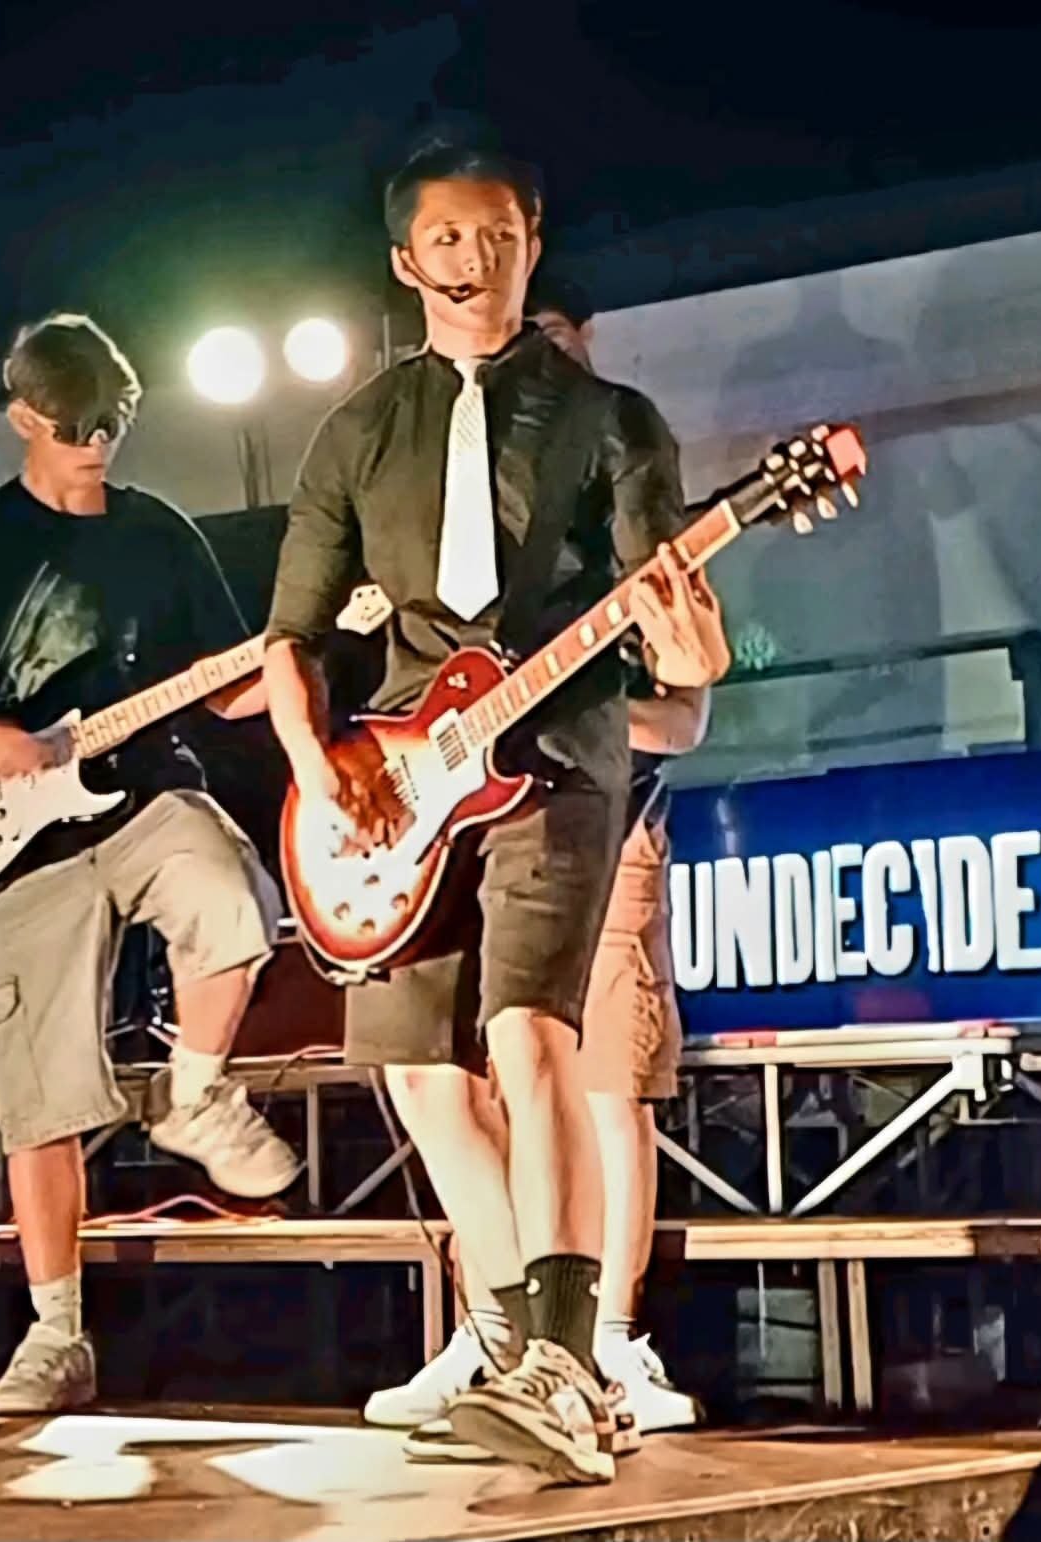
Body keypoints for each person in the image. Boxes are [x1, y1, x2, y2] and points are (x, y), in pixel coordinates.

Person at [263, 137, 708, 1484]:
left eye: (500, 236)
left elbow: (671, 627)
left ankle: (569, 1357)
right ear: (407, 260)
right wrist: (316, 760)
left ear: (532, 245)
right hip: (403, 770)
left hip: (558, 759)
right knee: (418, 1069)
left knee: (528, 1031)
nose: (476, 259)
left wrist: (691, 648)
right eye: (449, 239)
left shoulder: (610, 418)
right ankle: (513, 1336)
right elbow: (291, 637)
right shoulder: (358, 428)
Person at [0, 314, 300, 1415]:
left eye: (113, 423)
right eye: (74, 427)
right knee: (41, 1096)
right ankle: (56, 1335)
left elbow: (223, 687)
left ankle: (195, 1095)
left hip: (146, 792)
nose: (96, 444)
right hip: (21, 833)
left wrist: (292, 670)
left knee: (234, 894)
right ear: (23, 417)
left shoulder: (160, 534)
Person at [364, 279, 726, 1457]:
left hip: (605, 832)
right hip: (468, 837)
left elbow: (687, 714)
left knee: (597, 1083)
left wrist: (575, 717)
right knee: (444, 1082)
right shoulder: (446, 512)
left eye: (552, 350)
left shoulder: (624, 500)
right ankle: (500, 1328)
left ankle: (605, 1340)